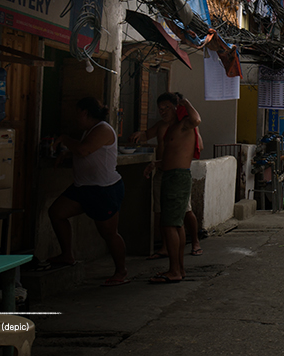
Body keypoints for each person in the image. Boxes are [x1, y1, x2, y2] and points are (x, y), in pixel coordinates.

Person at [46, 96, 128, 286]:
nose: (75, 118)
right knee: (56, 213)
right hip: (83, 187)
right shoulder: (88, 131)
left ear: (84, 112)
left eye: (77, 113)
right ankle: (67, 254)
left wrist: (66, 140)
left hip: (104, 189)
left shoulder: (103, 129)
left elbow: (84, 150)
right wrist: (67, 154)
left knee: (109, 233)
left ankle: (121, 270)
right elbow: (85, 153)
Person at [132, 95, 202, 258]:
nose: (163, 112)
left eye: (167, 108)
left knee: (182, 215)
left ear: (176, 107)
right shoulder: (164, 127)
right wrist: (138, 137)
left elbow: (196, 121)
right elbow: (146, 135)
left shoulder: (185, 125)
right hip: (164, 172)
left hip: (178, 175)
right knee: (165, 217)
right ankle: (169, 254)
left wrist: (186, 102)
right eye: (160, 109)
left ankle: (193, 245)